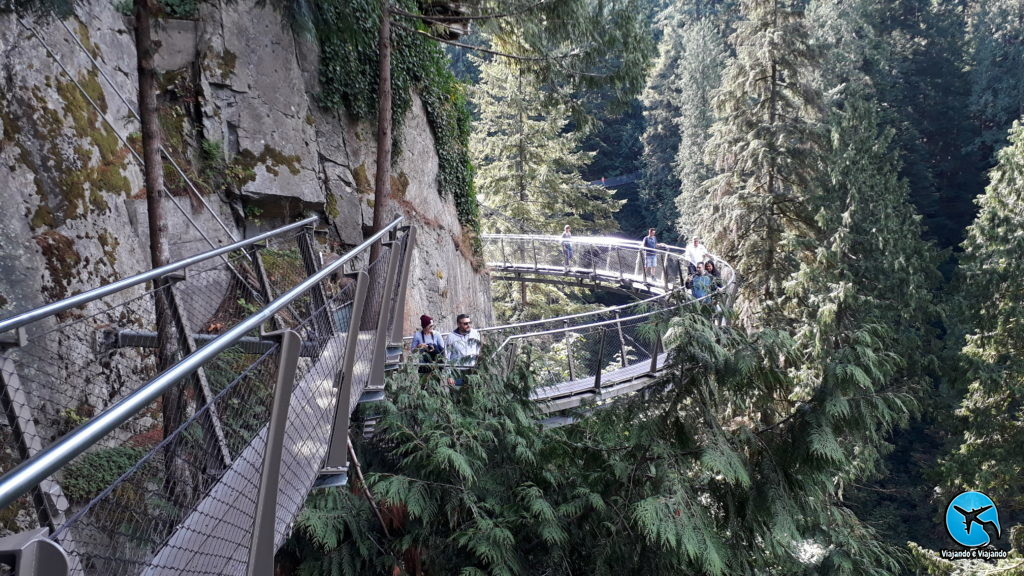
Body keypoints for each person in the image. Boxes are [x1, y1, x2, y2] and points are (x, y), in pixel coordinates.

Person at [445, 313, 482, 386]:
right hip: (457, 371)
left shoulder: (475, 333)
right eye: (465, 323)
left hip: (472, 370)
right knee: (457, 395)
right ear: (458, 324)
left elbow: (478, 351)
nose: (469, 325)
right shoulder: (451, 337)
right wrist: (449, 375)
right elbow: (446, 357)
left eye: (469, 322)